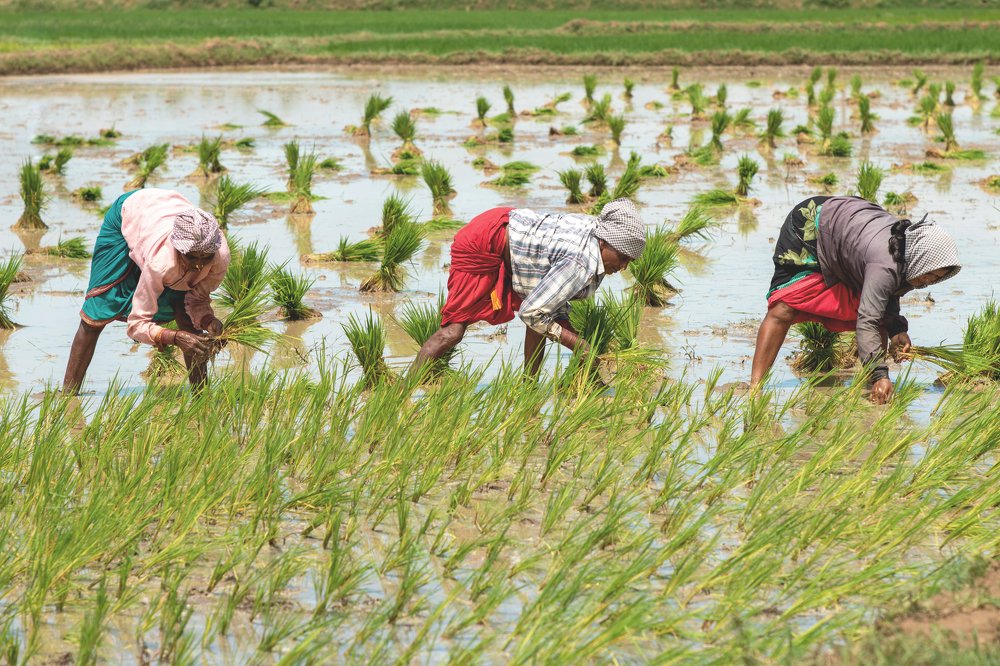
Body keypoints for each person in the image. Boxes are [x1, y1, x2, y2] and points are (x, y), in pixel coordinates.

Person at [750, 195, 961, 403]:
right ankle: (755, 388)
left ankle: (873, 387)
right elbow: (868, 318)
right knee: (784, 308)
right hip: (813, 226)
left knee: (878, 318)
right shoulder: (885, 264)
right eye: (929, 273)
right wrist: (882, 374)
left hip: (851, 239)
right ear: (920, 257)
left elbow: (889, 291)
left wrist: (896, 330)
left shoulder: (909, 257)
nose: (927, 280)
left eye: (935, 278)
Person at [414, 198, 645, 375]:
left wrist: (575, 343)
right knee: (453, 331)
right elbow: (531, 313)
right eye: (623, 257)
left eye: (630, 262)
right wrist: (579, 344)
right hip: (484, 239)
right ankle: (402, 391)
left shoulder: (597, 239)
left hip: (506, 225)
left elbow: (542, 315)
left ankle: (528, 386)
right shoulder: (580, 261)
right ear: (604, 241)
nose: (623, 266)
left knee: (544, 319)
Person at [63, 188, 231, 393]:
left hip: (163, 212)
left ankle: (201, 397)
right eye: (191, 257)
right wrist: (175, 337)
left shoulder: (219, 258)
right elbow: (137, 324)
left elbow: (197, 299)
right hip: (131, 212)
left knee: (186, 317)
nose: (198, 266)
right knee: (97, 312)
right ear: (178, 248)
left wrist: (208, 321)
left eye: (205, 258)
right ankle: (68, 395)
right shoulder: (161, 262)